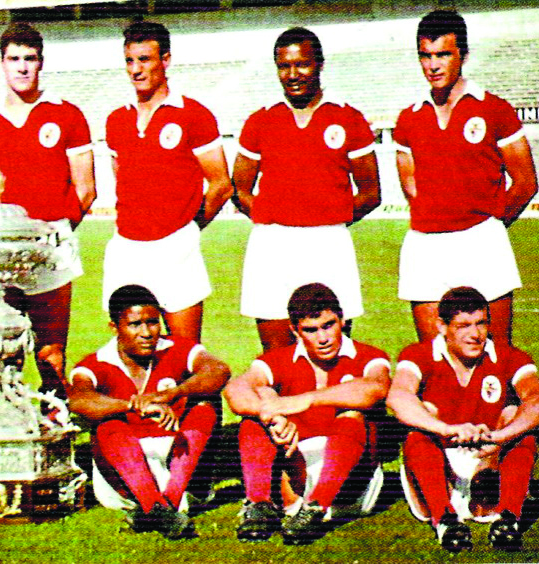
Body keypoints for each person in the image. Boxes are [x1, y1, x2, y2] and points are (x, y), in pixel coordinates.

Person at [0, 22, 96, 397]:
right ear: (2, 64)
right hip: (0, 255)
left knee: (51, 356)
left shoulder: (67, 115)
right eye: (14, 59)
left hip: (51, 249)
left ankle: (55, 434)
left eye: (30, 59)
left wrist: (54, 234)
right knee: (3, 355)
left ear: (41, 63)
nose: (22, 67)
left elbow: (85, 189)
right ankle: (8, 441)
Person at [393, 10, 538, 346]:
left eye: (443, 54)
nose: (433, 65)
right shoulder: (409, 119)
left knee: (495, 354)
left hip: (481, 242)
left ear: (463, 55)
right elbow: (410, 185)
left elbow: (526, 182)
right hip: (425, 245)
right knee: (435, 357)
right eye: (425, 56)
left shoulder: (494, 109)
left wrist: (489, 225)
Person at [232, 27, 381, 352]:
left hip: (329, 243)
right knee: (277, 358)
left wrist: (330, 218)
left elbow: (371, 192)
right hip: (272, 244)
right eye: (284, 66)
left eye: (302, 64)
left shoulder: (348, 118)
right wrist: (270, 217)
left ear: (320, 64)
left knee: (334, 355)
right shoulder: (261, 120)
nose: (293, 74)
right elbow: (239, 188)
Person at [223, 283, 390, 545]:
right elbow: (236, 390)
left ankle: (316, 508)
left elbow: (375, 388)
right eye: (310, 330)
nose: (323, 338)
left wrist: (301, 401)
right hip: (297, 475)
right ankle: (258, 505)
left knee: (352, 415)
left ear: (342, 320)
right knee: (252, 421)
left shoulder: (369, 356)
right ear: (294, 331)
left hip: (353, 480)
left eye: (328, 325)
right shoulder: (278, 359)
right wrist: (272, 415)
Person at [388, 287, 539, 552]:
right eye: (463, 325)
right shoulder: (419, 354)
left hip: (489, 459)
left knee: (518, 425)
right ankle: (445, 520)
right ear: (441, 326)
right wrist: (447, 429)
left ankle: (508, 519)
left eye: (481, 323)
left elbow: (538, 400)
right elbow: (398, 398)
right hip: (438, 460)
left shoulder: (508, 356)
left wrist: (499, 437)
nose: (475, 334)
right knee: (420, 423)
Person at [102, 22, 232, 342]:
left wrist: (187, 227)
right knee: (132, 351)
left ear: (166, 60)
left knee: (185, 352)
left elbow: (221, 184)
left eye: (145, 59)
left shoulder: (193, 114)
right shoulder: (116, 119)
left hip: (175, 247)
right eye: (130, 61)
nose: (136, 69)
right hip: (126, 247)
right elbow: (123, 178)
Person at [68, 285, 229, 539]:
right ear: (115, 327)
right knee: (107, 424)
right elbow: (78, 400)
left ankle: (163, 506)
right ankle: (155, 503)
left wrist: (171, 394)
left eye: (153, 323)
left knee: (206, 406)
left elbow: (218, 370)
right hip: (126, 473)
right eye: (135, 324)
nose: (146, 333)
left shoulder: (176, 348)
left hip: (179, 463)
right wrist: (133, 404)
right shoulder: (95, 363)